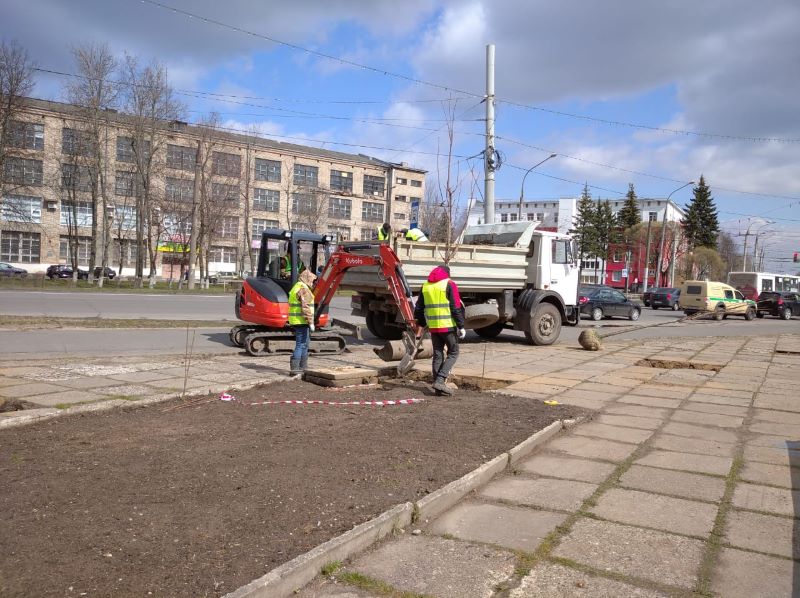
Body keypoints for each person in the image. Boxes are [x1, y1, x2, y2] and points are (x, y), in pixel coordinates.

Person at [414, 264, 465, 395]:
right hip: (448, 326)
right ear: (447, 273)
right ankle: (441, 380)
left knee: (438, 354)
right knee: (453, 352)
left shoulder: (425, 286)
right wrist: (461, 326)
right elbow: (455, 307)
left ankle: (438, 387)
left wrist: (423, 322)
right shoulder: (449, 284)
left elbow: (418, 308)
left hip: (434, 327)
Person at [288, 269, 317, 376]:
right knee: (301, 344)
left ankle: (303, 367)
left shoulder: (297, 287)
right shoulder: (303, 289)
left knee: (304, 344)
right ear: (307, 278)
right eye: (312, 280)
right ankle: (295, 369)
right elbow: (306, 308)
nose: (313, 282)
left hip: (299, 320)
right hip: (302, 321)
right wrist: (311, 322)